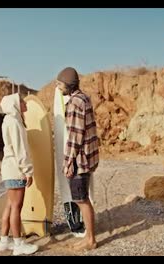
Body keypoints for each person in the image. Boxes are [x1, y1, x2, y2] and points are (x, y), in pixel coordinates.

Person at [56, 67, 100, 250]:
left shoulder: (74, 103)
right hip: (88, 157)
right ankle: (89, 237)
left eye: (59, 84)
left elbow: (75, 136)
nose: (58, 87)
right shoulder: (84, 98)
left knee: (82, 199)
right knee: (83, 198)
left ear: (68, 84)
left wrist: (68, 162)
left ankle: (90, 240)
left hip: (80, 160)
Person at [0, 93, 39, 256]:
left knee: (9, 205)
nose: (25, 103)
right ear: (15, 104)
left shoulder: (7, 120)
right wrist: (28, 171)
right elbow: (20, 151)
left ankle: (4, 241)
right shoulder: (14, 122)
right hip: (16, 169)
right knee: (16, 207)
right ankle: (18, 244)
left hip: (8, 168)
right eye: (22, 101)